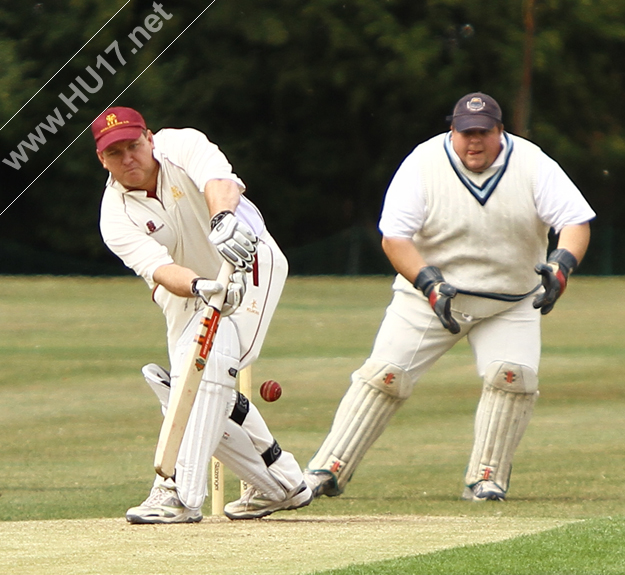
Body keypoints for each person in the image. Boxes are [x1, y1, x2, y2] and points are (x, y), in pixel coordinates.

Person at [304, 92, 595, 502]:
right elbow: (396, 238)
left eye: (483, 132)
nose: (473, 141)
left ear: (500, 131)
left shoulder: (531, 163)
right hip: (429, 295)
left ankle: (486, 477)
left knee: (512, 378)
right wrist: (428, 284)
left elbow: (574, 220)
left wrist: (561, 267)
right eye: (465, 132)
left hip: (510, 301)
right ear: (452, 131)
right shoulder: (424, 163)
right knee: (385, 375)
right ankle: (328, 467)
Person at [92, 106, 312, 522]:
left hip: (248, 260)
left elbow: (220, 182)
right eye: (115, 153)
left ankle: (176, 492)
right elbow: (159, 270)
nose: (128, 159)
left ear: (150, 138)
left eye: (134, 146)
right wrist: (200, 286)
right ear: (102, 159)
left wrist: (223, 219)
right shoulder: (114, 216)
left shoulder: (182, 144)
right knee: (184, 391)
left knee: (209, 366)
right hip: (191, 291)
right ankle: (282, 483)